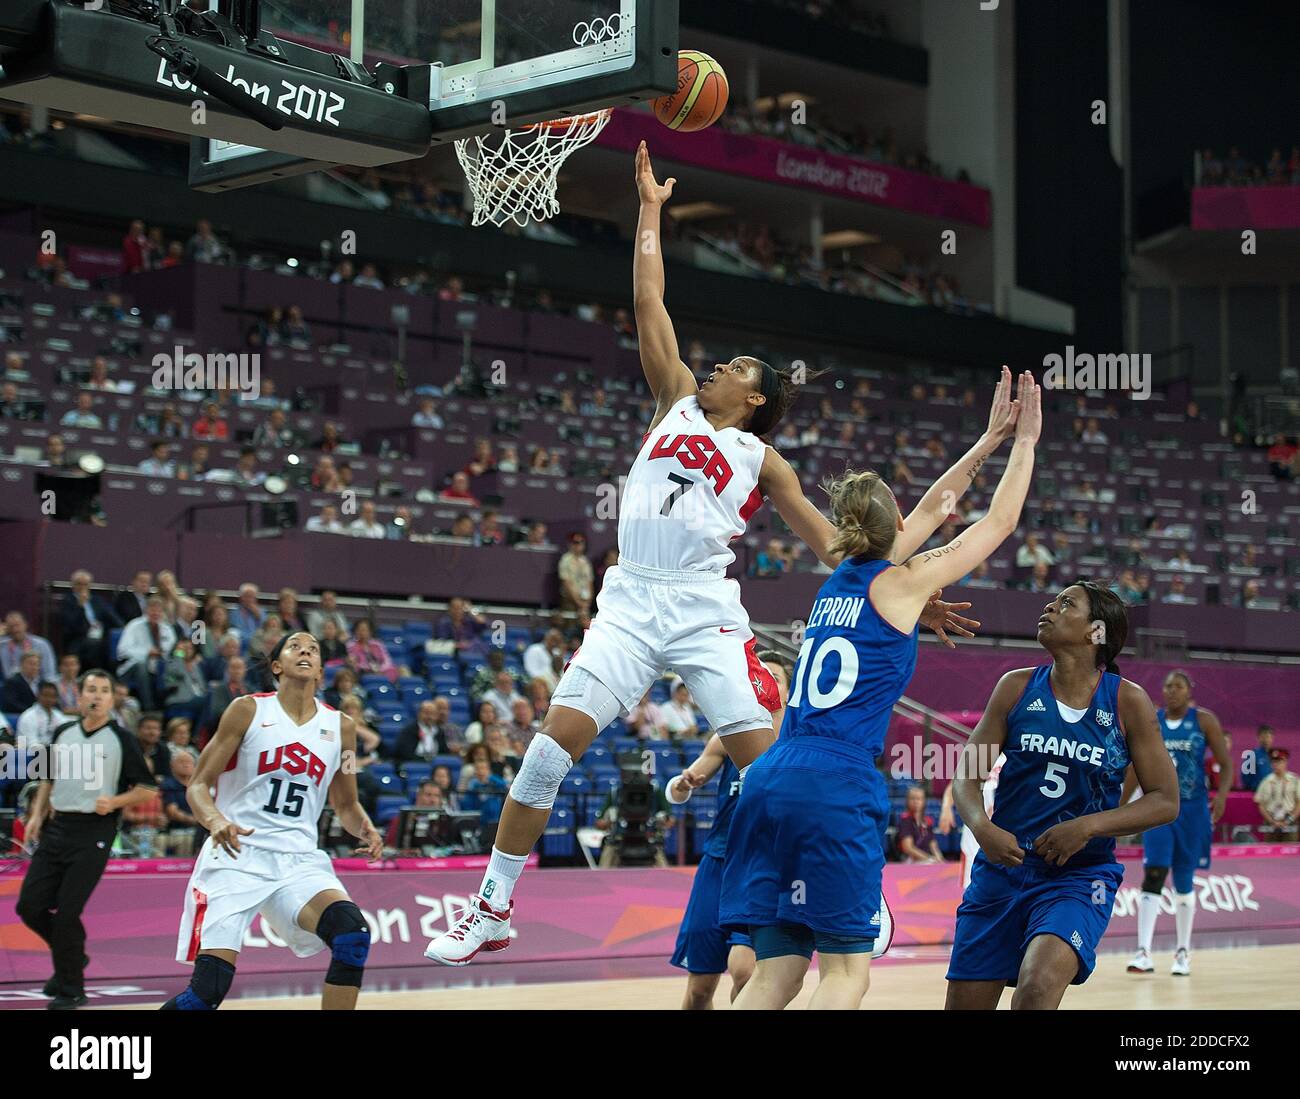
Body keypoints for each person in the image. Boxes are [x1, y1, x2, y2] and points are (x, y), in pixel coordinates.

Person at [424, 142, 973, 967]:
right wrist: (648, 210)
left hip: (707, 610)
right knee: (546, 749)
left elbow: (840, 547)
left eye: (734, 368)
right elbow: (650, 298)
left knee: (775, 772)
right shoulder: (673, 398)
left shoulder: (765, 461)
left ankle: (856, 899)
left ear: (754, 398)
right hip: (631, 602)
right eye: (716, 363)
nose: (714, 367)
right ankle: (492, 905)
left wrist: (913, 589)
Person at [721, 369, 1031, 1011]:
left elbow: (937, 506)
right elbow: (994, 521)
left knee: (777, 972)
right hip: (835, 780)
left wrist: (988, 437)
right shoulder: (904, 582)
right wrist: (1022, 441)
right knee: (844, 974)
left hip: (771, 775)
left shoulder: (840, 578)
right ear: (891, 522)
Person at [944, 582, 1179, 1010]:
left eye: (1066, 603)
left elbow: (1165, 799)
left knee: (1036, 988)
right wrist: (982, 827)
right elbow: (966, 776)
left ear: (1096, 633)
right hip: (1003, 869)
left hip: (1077, 877)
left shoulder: (1127, 702)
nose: (1050, 607)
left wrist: (1088, 826)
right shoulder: (1015, 687)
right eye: (1054, 600)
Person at [166, 632, 383, 1010]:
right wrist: (216, 820)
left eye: (314, 649)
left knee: (353, 935)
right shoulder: (247, 710)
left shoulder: (341, 727)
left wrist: (363, 826)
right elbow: (198, 785)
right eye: (295, 646)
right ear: (277, 666)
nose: (306, 651)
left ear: (320, 670)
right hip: (236, 856)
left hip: (297, 860)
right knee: (207, 991)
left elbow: (346, 802)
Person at [16, 670, 158, 1008]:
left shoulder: (122, 739)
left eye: (103, 690)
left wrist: (116, 802)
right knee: (30, 906)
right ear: (78, 697)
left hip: (95, 831)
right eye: (90, 690)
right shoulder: (63, 732)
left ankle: (72, 990)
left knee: (66, 914)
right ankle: (73, 958)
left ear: (112, 699)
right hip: (57, 828)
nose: (96, 696)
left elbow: (147, 788)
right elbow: (46, 778)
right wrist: (37, 815)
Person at [666, 650, 791, 1010]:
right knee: (700, 989)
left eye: (775, 677)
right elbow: (683, 784)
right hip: (718, 864)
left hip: (762, 869)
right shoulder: (729, 732)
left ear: (787, 689)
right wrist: (683, 784)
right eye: (760, 674)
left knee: (746, 972)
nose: (766, 681)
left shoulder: (797, 742)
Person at [1125, 670, 1231, 977]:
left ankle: (1182, 952)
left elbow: (1225, 764)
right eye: (1168, 686)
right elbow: (1135, 765)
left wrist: (1222, 795)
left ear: (1189, 691)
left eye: (1178, 686)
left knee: (1184, 879)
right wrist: (1118, 806)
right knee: (1154, 871)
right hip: (1158, 807)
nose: (1172, 691)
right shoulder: (1152, 720)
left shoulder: (1204, 720)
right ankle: (1142, 951)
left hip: (1193, 809)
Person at [1254, 749, 1299, 841]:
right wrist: (1271, 821)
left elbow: (1299, 803)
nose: (1276, 765)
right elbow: (1261, 805)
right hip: (1270, 821)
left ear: (1285, 762)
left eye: (1279, 761)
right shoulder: (1266, 781)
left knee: (1290, 851)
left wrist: (1289, 820)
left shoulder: (1294, 780)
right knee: (1270, 851)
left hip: (1290, 820)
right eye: (1274, 762)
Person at [896, 786, 944, 863]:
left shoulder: (927, 821)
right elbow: (908, 848)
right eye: (912, 798)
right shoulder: (905, 821)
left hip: (926, 859)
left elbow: (933, 844)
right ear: (907, 801)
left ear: (924, 801)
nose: (916, 801)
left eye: (919, 799)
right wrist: (929, 859)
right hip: (910, 860)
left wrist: (940, 859)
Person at [1240, 725, 1275, 792]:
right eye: (1263, 737)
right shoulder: (1251, 755)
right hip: (1256, 792)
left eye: (1268, 737)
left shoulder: (1275, 756)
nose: (1266, 740)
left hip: (1272, 794)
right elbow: (1245, 778)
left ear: (1272, 738)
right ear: (1258, 738)